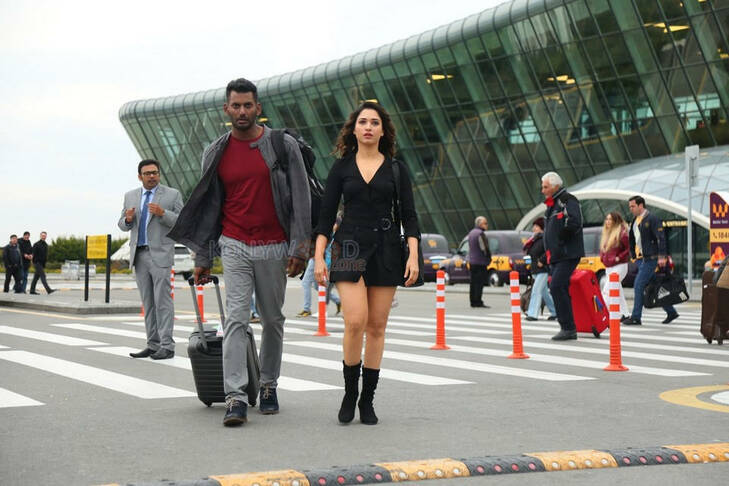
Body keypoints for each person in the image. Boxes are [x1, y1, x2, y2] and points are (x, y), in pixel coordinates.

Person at [167, 78, 311, 427]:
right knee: (235, 319)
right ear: (226, 109)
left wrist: (300, 247)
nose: (242, 111)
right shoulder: (215, 152)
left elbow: (301, 196)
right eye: (236, 105)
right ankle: (235, 395)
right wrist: (203, 258)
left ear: (258, 108)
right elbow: (209, 209)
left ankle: (268, 384)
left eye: (248, 105)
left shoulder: (282, 145)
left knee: (272, 318)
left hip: (274, 245)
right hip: (234, 244)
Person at [313, 101, 421, 425]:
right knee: (355, 321)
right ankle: (349, 392)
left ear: (383, 131)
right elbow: (325, 216)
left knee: (376, 327)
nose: (369, 127)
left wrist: (413, 254)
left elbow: (409, 216)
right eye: (363, 122)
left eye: (375, 122)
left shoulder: (397, 169)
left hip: (386, 249)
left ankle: (367, 400)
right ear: (354, 129)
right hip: (349, 246)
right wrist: (319, 257)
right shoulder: (341, 168)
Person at [118, 160, 183, 360]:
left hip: (161, 254)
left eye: (155, 172)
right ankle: (153, 344)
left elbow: (183, 221)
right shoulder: (130, 196)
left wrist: (163, 213)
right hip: (139, 255)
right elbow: (122, 224)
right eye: (147, 173)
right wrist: (128, 219)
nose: (152, 176)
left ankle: (167, 346)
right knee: (148, 302)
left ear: (159, 174)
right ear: (140, 176)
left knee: (163, 302)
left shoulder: (172, 195)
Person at [541, 171, 584, 340]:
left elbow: (575, 222)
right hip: (557, 255)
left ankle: (568, 327)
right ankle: (569, 327)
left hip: (567, 253)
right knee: (560, 288)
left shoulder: (567, 200)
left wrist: (561, 240)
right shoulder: (551, 205)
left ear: (555, 186)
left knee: (556, 286)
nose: (543, 190)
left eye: (545, 187)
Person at [623, 196, 679, 325]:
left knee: (638, 285)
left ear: (641, 205)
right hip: (641, 259)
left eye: (633, 206)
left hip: (651, 258)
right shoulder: (635, 220)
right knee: (656, 286)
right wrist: (633, 255)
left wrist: (662, 256)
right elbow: (633, 239)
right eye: (629, 206)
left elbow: (661, 238)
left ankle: (636, 317)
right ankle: (671, 312)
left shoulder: (652, 219)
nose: (631, 209)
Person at [523, 218, 556, 321]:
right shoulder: (534, 239)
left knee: (536, 291)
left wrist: (542, 260)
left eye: (536, 226)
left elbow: (549, 251)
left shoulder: (545, 238)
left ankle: (533, 314)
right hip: (535, 269)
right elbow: (531, 253)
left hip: (543, 269)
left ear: (542, 227)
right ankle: (556, 311)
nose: (534, 228)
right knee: (545, 293)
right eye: (534, 226)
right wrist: (528, 264)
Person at [599, 212, 630, 320]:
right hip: (609, 266)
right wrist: (602, 257)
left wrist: (618, 257)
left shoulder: (622, 233)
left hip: (619, 266)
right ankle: (625, 314)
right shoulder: (607, 233)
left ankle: (604, 314)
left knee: (607, 290)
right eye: (606, 219)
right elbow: (603, 249)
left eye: (610, 219)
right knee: (617, 289)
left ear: (615, 221)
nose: (607, 221)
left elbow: (628, 249)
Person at [467, 216, 492, 308]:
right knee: (479, 283)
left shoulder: (471, 233)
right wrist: (489, 257)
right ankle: (478, 301)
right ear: (480, 224)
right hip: (480, 262)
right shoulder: (480, 234)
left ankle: (472, 301)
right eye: (485, 223)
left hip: (472, 261)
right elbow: (484, 247)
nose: (487, 225)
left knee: (473, 282)